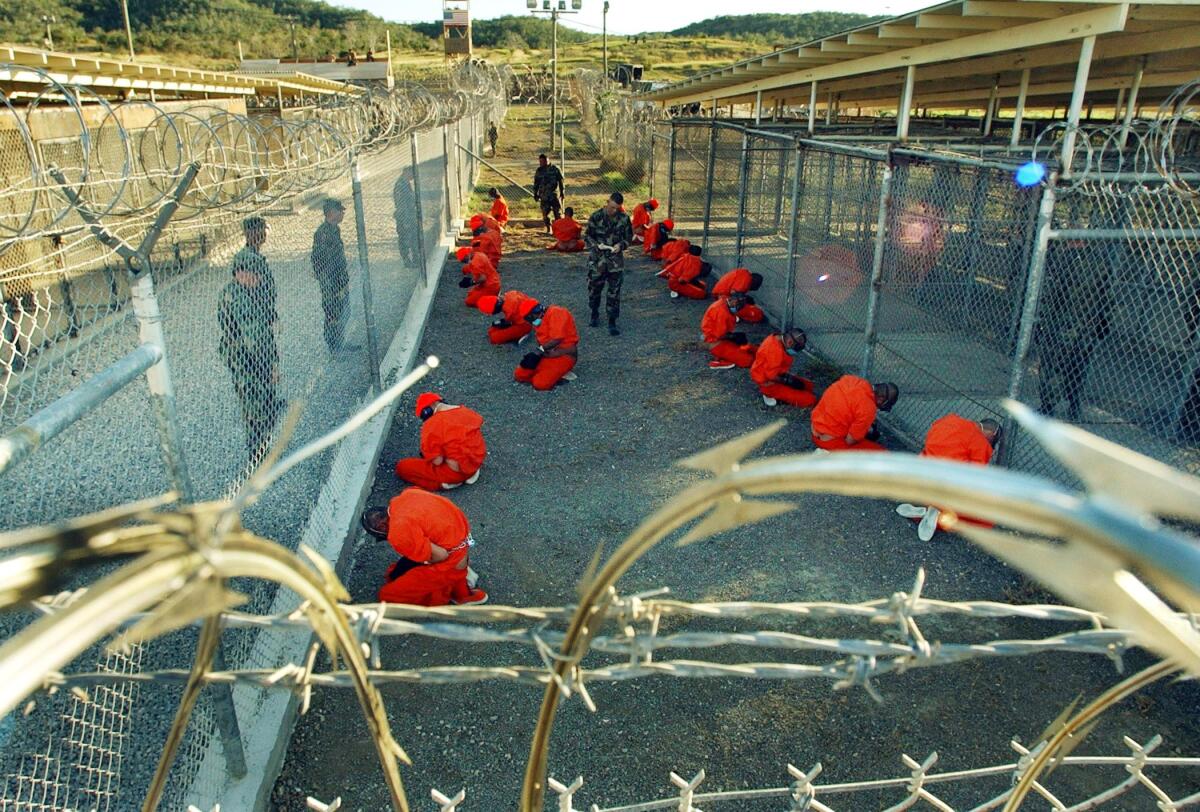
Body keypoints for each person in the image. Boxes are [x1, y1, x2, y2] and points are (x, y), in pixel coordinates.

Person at [218, 217, 285, 463]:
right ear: (241, 273)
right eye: (255, 276)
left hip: (252, 355)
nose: (259, 281)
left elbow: (261, 332)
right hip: (247, 359)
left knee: (262, 400)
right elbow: (254, 339)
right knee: (254, 405)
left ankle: (263, 444)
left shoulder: (245, 291)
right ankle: (258, 453)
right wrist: (270, 367)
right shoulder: (239, 299)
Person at [360, 488, 488, 606]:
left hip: (450, 560)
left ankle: (445, 591)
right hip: (462, 543)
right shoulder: (408, 495)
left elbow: (441, 555)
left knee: (387, 595)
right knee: (398, 571)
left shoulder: (397, 532)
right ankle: (460, 587)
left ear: (382, 529)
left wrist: (424, 560)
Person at [897, 415, 1001, 541]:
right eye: (993, 441)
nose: (991, 445)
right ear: (991, 433)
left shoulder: (949, 419)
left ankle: (929, 508)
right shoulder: (981, 443)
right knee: (984, 519)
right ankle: (936, 513)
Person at [394, 392, 487, 491]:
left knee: (403, 467)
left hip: (455, 472)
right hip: (476, 463)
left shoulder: (432, 425)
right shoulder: (466, 411)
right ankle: (469, 474)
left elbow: (437, 461)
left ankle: (445, 483)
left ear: (427, 411)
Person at [584, 192, 634, 336]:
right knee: (594, 290)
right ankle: (594, 313)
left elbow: (629, 237)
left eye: (616, 208)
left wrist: (621, 245)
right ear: (607, 202)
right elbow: (587, 236)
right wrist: (595, 245)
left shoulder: (624, 219)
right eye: (612, 207)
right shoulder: (596, 216)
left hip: (615, 263)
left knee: (614, 293)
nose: (613, 211)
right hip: (597, 261)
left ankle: (612, 320)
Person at [811, 375, 899, 451]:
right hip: (828, 442)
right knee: (882, 453)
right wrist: (863, 433)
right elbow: (850, 441)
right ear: (881, 399)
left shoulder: (852, 380)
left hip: (814, 428)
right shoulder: (869, 408)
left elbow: (848, 406)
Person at [310, 198, 349, 353]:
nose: (343, 214)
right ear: (332, 213)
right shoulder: (322, 233)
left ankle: (340, 342)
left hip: (338, 279)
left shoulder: (334, 230)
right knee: (332, 312)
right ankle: (334, 346)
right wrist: (328, 282)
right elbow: (318, 259)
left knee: (342, 311)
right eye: (340, 211)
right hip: (330, 281)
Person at [513, 298, 579, 390]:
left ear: (534, 313)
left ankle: (558, 374)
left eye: (529, 318)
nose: (530, 321)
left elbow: (557, 338)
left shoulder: (557, 313)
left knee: (540, 384)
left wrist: (539, 350)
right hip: (547, 354)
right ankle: (554, 374)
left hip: (565, 354)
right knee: (519, 375)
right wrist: (538, 354)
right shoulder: (541, 318)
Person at [751, 330, 815, 407]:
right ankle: (770, 395)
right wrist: (788, 381)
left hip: (775, 373)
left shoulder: (776, 339)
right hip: (768, 383)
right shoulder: (775, 353)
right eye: (796, 349)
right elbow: (771, 376)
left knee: (808, 386)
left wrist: (788, 378)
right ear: (790, 342)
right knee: (810, 400)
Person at [701, 293, 757, 370]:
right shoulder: (721, 312)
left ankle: (727, 355)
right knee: (749, 360)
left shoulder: (725, 303)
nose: (739, 308)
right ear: (733, 300)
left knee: (750, 349)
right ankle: (719, 361)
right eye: (739, 304)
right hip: (716, 343)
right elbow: (719, 335)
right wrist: (733, 337)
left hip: (719, 338)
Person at [533, 153, 565, 232]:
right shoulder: (539, 170)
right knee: (545, 214)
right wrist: (535, 194)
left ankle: (559, 229)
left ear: (548, 160)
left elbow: (561, 181)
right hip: (544, 196)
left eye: (543, 161)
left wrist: (562, 192)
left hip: (554, 195)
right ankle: (549, 229)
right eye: (540, 161)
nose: (541, 163)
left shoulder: (555, 169)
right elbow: (536, 183)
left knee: (557, 213)